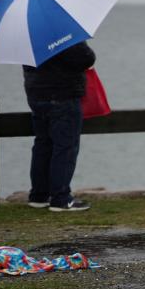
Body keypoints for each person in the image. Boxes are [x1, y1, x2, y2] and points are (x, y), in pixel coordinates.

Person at [23, 41, 96, 212]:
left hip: (36, 95)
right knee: (65, 147)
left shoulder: (28, 36)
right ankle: (60, 198)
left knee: (43, 144)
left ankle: (39, 196)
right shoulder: (64, 35)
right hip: (63, 95)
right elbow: (86, 58)